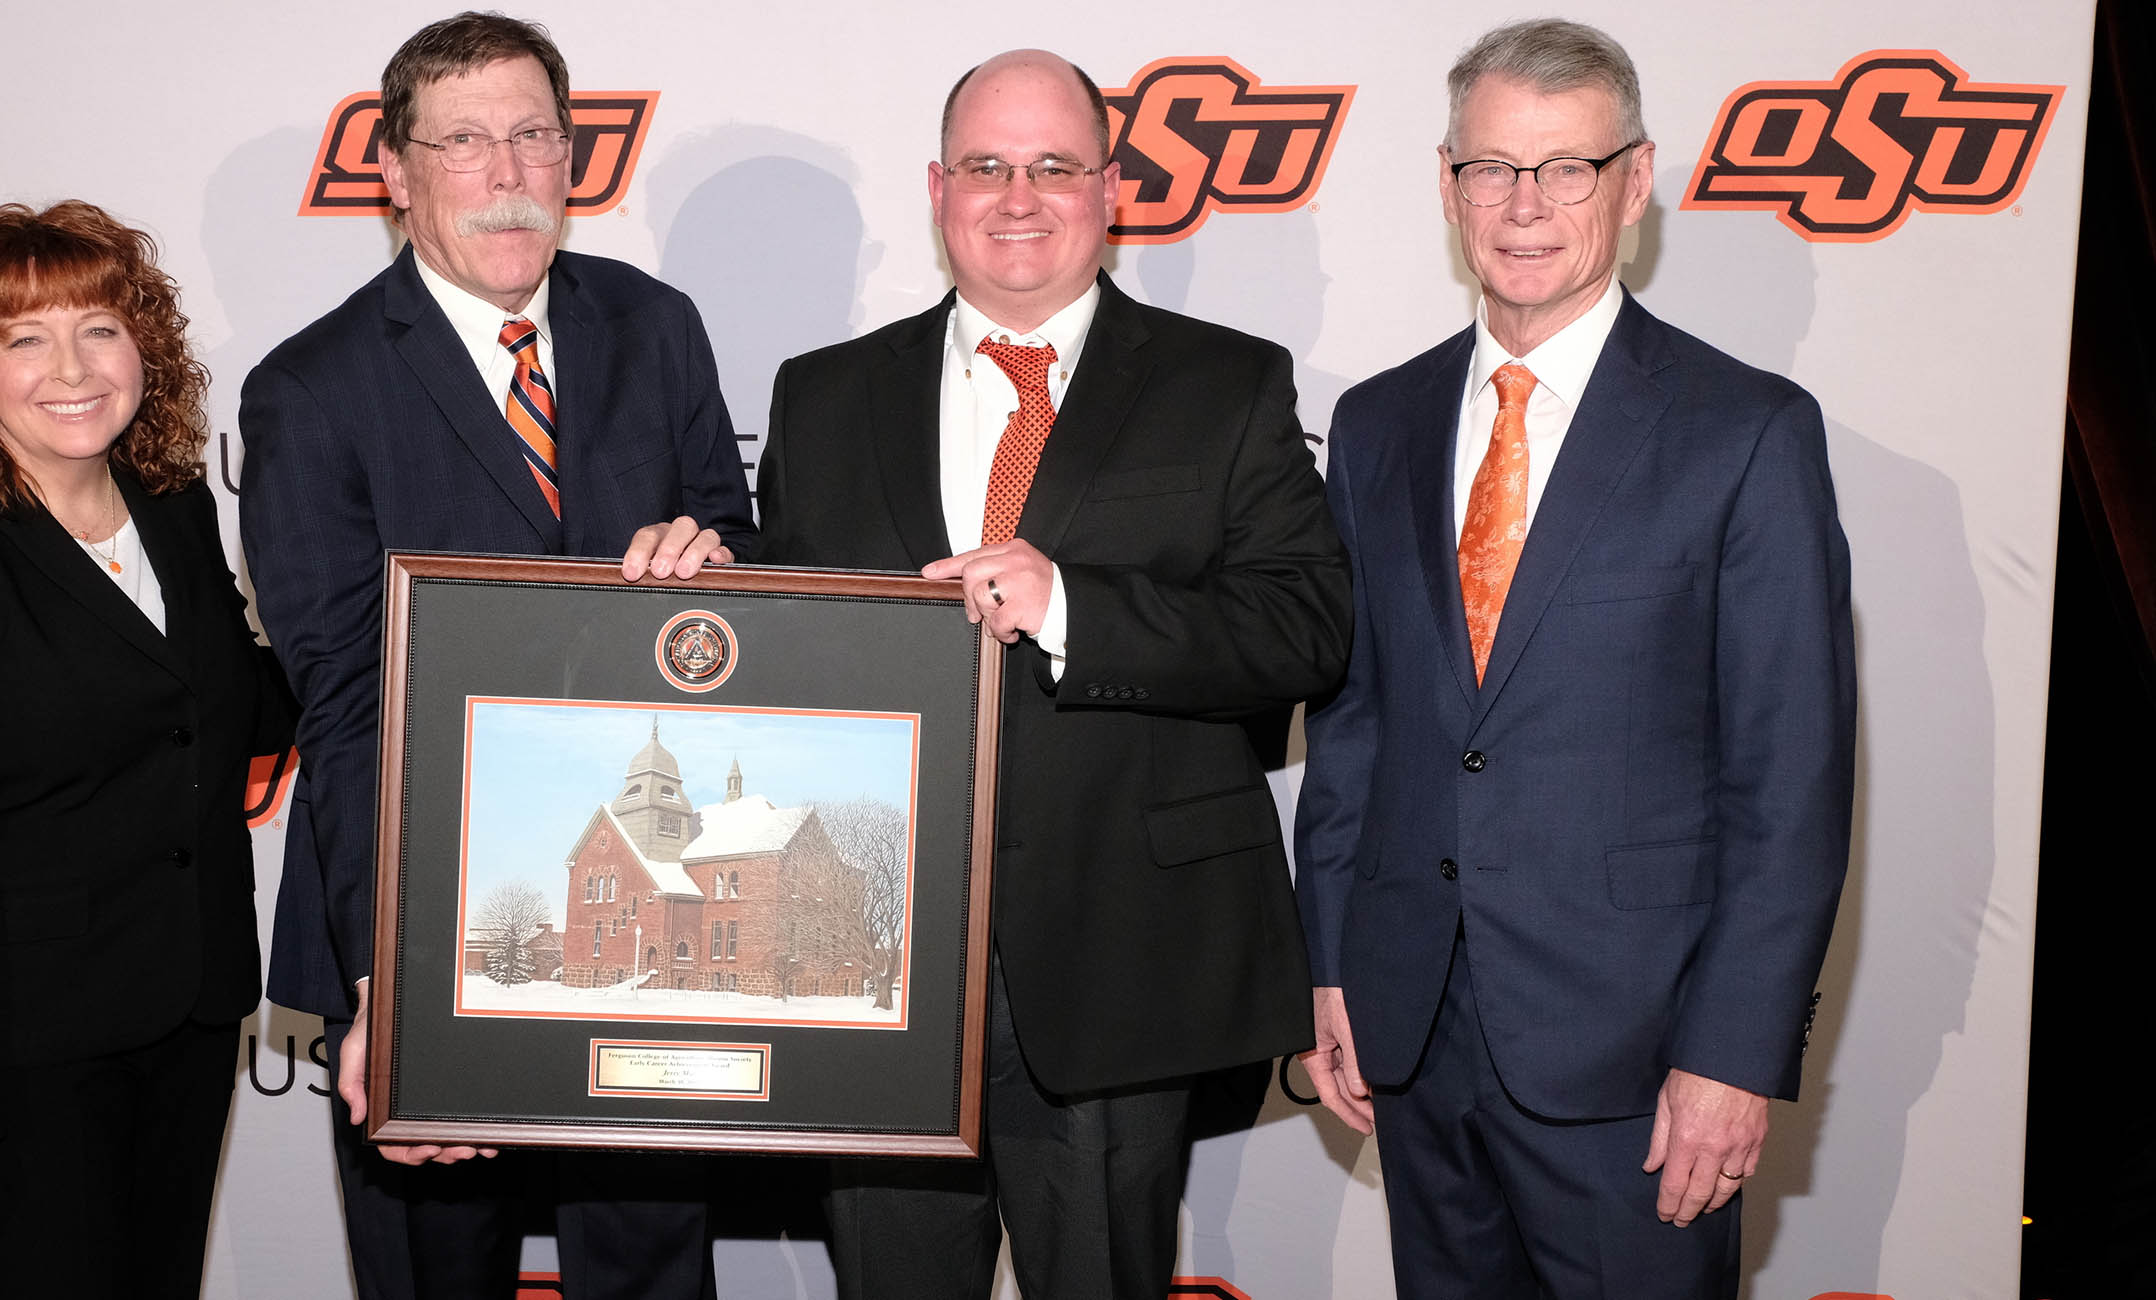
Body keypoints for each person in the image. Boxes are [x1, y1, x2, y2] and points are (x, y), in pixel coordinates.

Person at [753, 48, 1350, 1300]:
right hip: (875, 972)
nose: (1016, 196)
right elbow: (784, 669)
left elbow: (1305, 628)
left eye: (1053, 166)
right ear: (936, 188)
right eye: (984, 165)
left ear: (1112, 189)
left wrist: (1073, 605)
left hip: (1119, 956)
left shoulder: (1226, 383)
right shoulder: (819, 398)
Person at [1294, 18, 1855, 1297]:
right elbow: (1358, 724)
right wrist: (1330, 958)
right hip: (1416, 1034)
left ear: (1635, 180)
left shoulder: (1748, 432)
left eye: (1565, 168)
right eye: (1492, 168)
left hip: (1643, 1066)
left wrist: (1734, 1054)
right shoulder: (1377, 423)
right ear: (1448, 186)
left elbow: (1793, 782)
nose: (1525, 205)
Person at [237, 11, 751, 1299]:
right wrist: (390, 980)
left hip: (643, 901)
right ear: (395, 174)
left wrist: (723, 568)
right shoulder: (311, 390)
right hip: (421, 908)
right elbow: (345, 708)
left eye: (533, 135)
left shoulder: (657, 324)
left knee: (647, 1264)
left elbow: (743, 560)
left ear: (574, 157)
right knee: (434, 1272)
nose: (506, 171)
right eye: (462, 142)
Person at [0, 200, 299, 1296]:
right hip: (21, 1053)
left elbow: (239, 708)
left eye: (100, 328)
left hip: (188, 1009)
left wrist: (412, 627)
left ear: (145, 350)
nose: (71, 366)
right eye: (24, 337)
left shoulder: (170, 506)